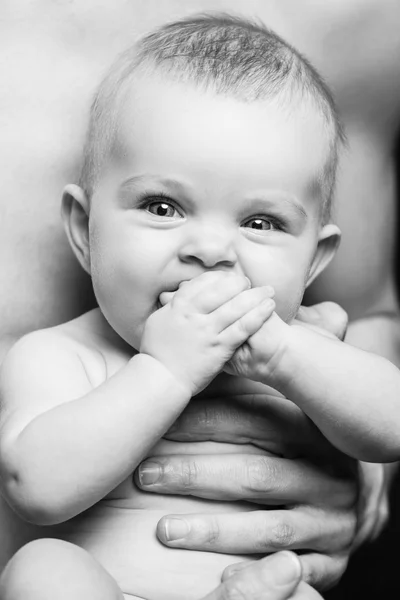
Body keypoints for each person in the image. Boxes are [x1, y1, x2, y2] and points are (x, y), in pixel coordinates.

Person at [0, 1, 398, 597]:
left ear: (313, 261)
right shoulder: (60, 355)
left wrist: (289, 360)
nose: (212, 249)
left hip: (254, 583)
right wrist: (163, 372)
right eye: (163, 207)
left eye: (261, 222)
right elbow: (35, 487)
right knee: (41, 570)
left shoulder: (303, 352)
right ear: (85, 231)